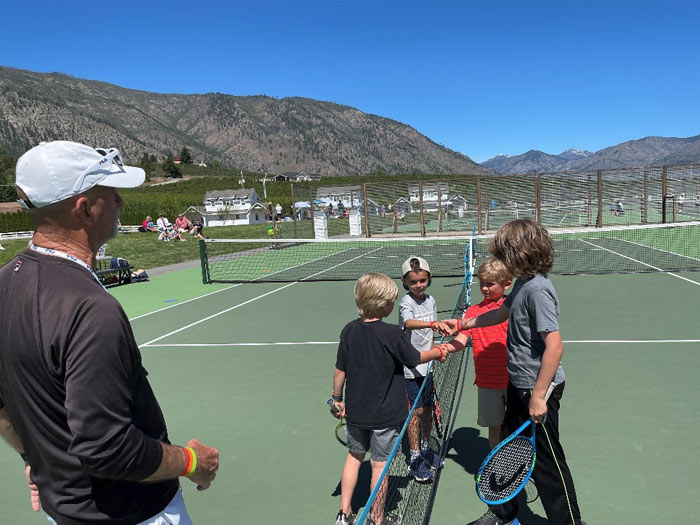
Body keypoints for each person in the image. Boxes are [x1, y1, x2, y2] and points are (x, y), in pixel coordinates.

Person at [0, 141, 219, 524]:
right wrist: (191, 461)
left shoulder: (4, 283)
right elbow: (108, 448)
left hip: (63, 510)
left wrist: (35, 458)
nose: (119, 201)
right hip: (134, 513)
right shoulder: (92, 309)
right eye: (111, 193)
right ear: (84, 209)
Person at [454, 219, 584, 525]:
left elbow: (554, 346)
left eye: (503, 255)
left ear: (520, 253)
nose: (500, 262)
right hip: (518, 385)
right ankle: (503, 512)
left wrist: (538, 397)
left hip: (537, 391)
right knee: (508, 451)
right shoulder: (524, 283)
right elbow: (500, 312)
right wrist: (462, 325)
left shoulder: (539, 290)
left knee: (549, 468)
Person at [330, 273, 449, 525]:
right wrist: (439, 351)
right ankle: (378, 518)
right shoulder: (391, 333)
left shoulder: (348, 330)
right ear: (383, 304)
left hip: (355, 413)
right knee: (379, 466)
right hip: (384, 416)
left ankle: (344, 513)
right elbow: (415, 358)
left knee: (354, 456)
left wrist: (336, 399)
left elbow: (340, 370)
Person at [439, 258, 511, 450]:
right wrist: (443, 348)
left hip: (513, 379)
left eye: (491, 284)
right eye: (482, 284)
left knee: (515, 426)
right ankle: (496, 462)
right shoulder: (472, 311)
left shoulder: (511, 308)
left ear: (506, 284)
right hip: (487, 381)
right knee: (494, 427)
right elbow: (461, 341)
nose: (485, 288)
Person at [398, 256, 452, 482]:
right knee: (415, 413)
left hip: (426, 367)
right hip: (410, 368)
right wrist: (432, 324)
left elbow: (430, 334)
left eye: (422, 280)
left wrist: (434, 353)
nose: (419, 285)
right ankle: (414, 456)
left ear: (429, 278)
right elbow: (408, 323)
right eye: (413, 282)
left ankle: (427, 446)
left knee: (428, 409)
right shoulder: (406, 303)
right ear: (405, 283)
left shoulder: (430, 300)